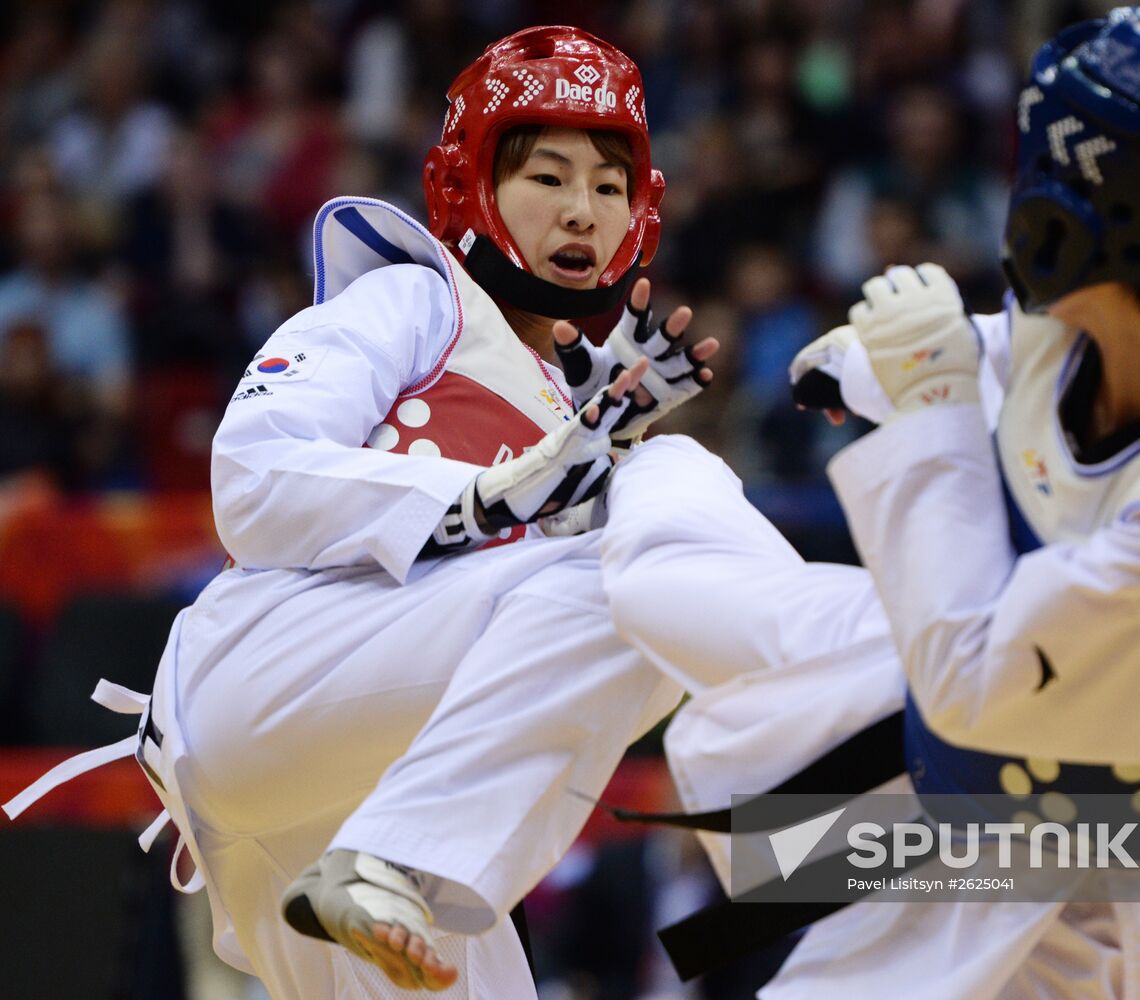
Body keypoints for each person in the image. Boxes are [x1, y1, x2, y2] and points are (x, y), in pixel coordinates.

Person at [598, 8, 1140, 997]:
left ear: (1057, 214)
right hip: (949, 733)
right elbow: (1020, 348)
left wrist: (932, 403)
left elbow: (969, 682)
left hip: (1086, 849)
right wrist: (874, 364)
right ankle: (603, 466)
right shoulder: (1138, 298)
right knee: (643, 575)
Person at [5, 26, 716, 998]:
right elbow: (251, 476)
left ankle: (878, 855)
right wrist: (495, 494)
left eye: (607, 185)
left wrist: (585, 467)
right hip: (263, 682)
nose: (580, 208)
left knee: (660, 563)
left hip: (356, 794)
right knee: (659, 545)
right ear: (471, 185)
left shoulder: (580, 410)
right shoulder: (412, 303)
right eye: (548, 176)